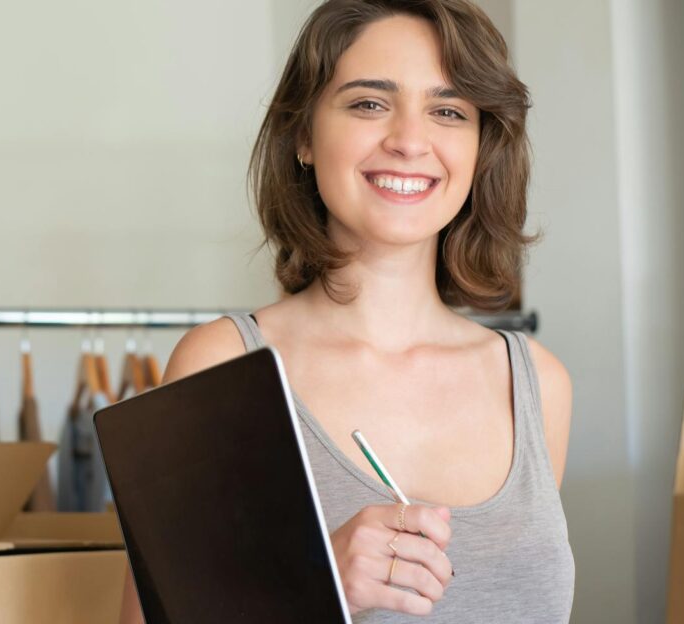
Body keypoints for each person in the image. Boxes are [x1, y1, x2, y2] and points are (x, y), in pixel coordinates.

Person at [119, 0, 574, 621]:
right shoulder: (223, 364)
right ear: (303, 134)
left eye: (447, 111)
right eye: (369, 103)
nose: (410, 141)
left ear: (480, 147)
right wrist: (317, 578)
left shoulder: (538, 383)